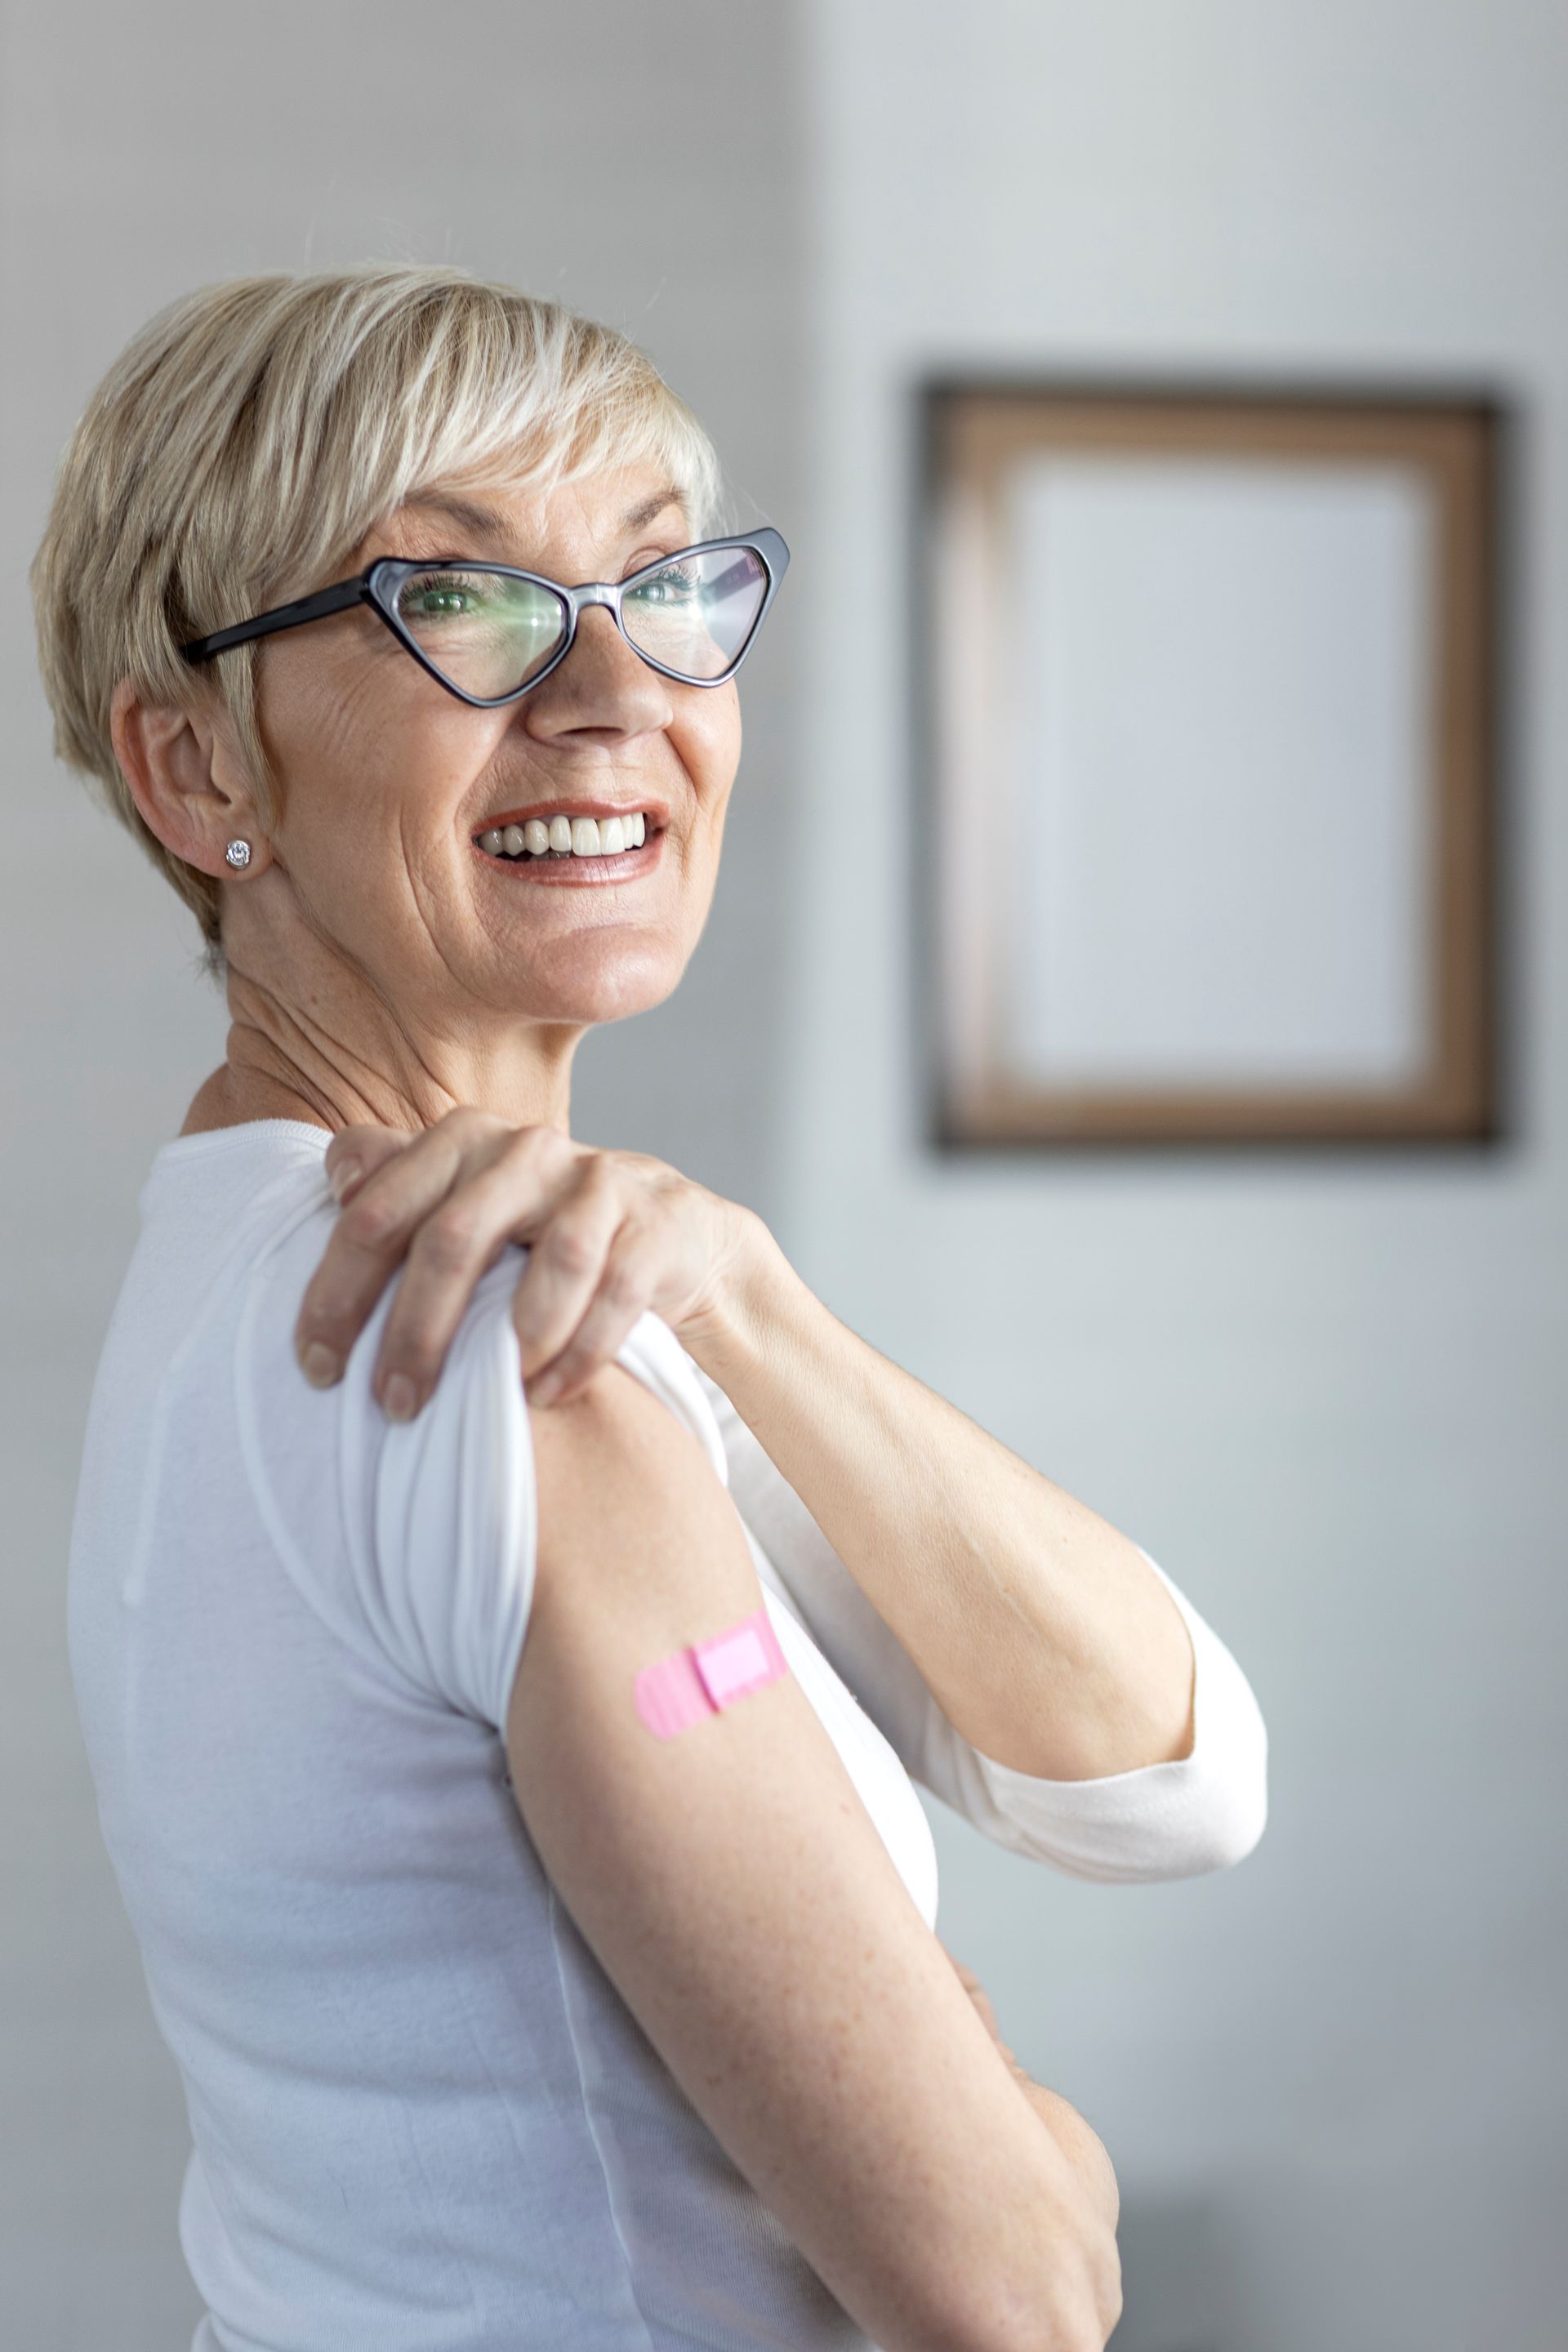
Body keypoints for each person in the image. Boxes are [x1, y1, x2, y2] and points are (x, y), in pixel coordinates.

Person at [33, 265, 1267, 2352]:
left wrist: (756, 1302)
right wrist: (1042, 2133)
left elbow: (1169, 1780)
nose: (616, 698)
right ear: (191, 771)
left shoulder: (258, 1258)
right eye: (469, 606)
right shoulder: (494, 1356)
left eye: (661, 587)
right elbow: (1021, 2290)